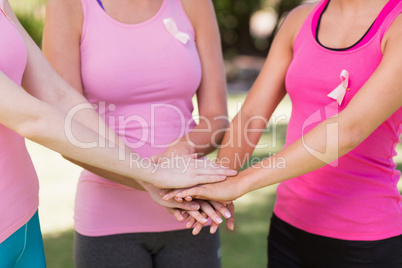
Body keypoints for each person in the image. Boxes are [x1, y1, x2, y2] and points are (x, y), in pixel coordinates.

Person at [0, 0, 237, 266]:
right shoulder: (69, 5)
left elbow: (60, 97)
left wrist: (167, 164)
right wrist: (152, 176)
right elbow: (43, 119)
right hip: (113, 213)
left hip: (24, 219)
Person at [167, 0, 402, 266]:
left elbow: (348, 129)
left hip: (367, 240)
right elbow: (251, 115)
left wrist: (241, 182)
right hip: (288, 230)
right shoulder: (299, 19)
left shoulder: (397, 25)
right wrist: (219, 181)